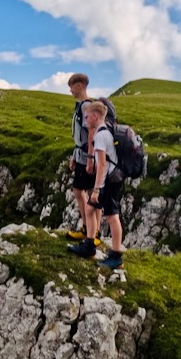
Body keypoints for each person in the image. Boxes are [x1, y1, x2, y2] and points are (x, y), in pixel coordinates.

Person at [85, 100, 125, 269]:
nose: (86, 120)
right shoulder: (105, 132)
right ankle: (89, 244)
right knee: (89, 209)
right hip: (110, 179)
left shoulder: (101, 136)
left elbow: (101, 165)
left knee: (112, 217)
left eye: (87, 117)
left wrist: (96, 189)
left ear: (95, 116)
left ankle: (116, 256)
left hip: (108, 181)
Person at [65, 74, 100, 257]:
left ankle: (92, 232)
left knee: (85, 192)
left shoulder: (86, 106)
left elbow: (91, 131)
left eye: (71, 86)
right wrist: (75, 155)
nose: (70, 90)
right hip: (82, 154)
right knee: (83, 192)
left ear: (79, 85)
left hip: (86, 156)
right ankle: (90, 230)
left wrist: (90, 158)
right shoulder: (82, 106)